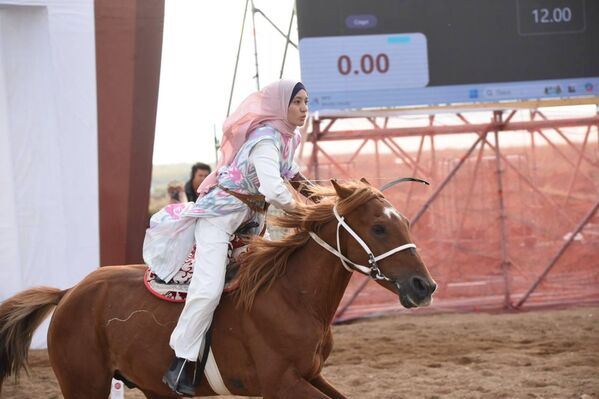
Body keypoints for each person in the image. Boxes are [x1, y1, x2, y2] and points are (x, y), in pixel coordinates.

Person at [152, 80, 312, 396]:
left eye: (307, 101)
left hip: (249, 224)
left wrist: (330, 198)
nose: (304, 108)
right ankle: (181, 361)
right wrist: (308, 215)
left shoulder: (286, 138)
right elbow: (274, 189)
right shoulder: (265, 140)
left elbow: (294, 176)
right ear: (282, 106)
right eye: (297, 102)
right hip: (218, 220)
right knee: (209, 289)